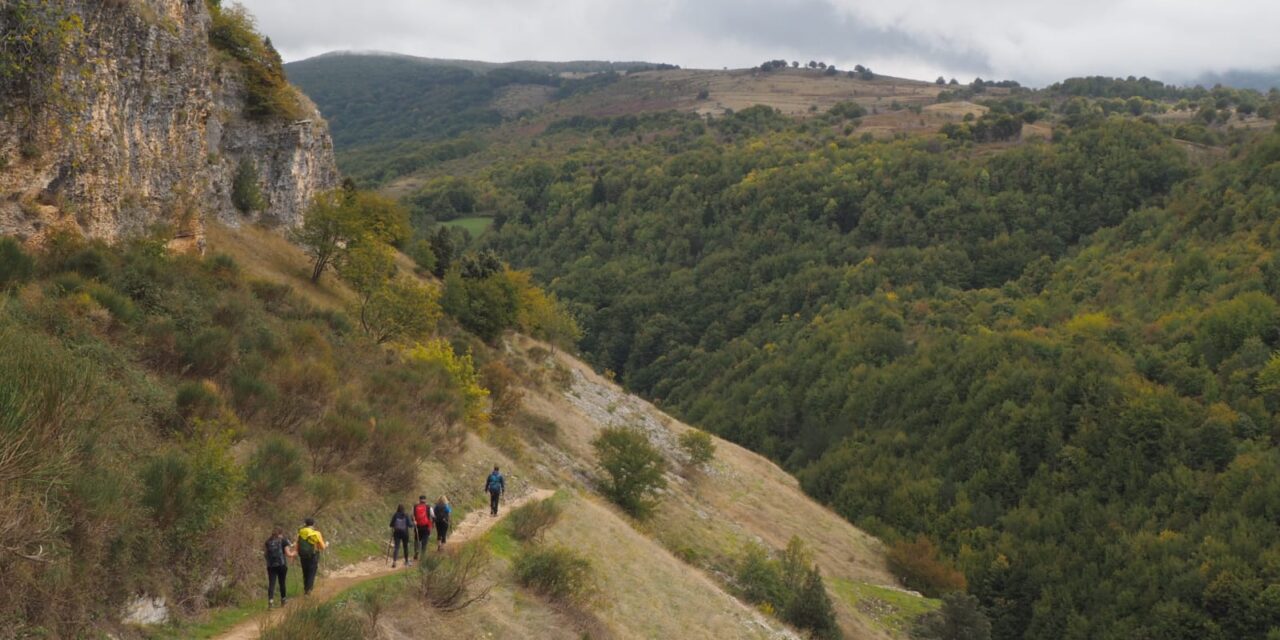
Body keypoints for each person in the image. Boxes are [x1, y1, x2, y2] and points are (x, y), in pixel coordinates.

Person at [297, 517, 327, 595]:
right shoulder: (316, 533)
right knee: (311, 572)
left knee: (305, 571)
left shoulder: (300, 532)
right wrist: (326, 544)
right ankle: (308, 590)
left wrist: (297, 552)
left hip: (302, 555)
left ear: (305, 524)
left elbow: (298, 544)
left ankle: (306, 588)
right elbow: (322, 547)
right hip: (313, 555)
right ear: (313, 524)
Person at [264, 528, 293, 608]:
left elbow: (265, 554)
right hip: (282, 565)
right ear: (280, 533)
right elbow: (288, 554)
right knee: (282, 582)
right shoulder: (283, 541)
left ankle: (270, 602)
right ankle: (283, 600)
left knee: (271, 583)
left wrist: (269, 562)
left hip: (271, 566)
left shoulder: (268, 541)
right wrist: (294, 553)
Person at [412, 495, 432, 561]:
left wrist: (414, 521)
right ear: (425, 500)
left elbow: (411, 516)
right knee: (424, 541)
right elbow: (433, 515)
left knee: (417, 540)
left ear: (419, 500)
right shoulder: (428, 507)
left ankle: (416, 552)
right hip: (426, 527)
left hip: (417, 527)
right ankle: (423, 555)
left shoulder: (415, 507)